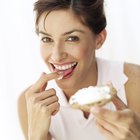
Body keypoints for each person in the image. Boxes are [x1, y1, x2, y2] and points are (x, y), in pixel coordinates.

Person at [18, 0, 140, 140]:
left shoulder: (134, 83)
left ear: (99, 39)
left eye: (71, 38)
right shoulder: (31, 103)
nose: (57, 56)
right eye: (47, 39)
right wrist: (35, 137)